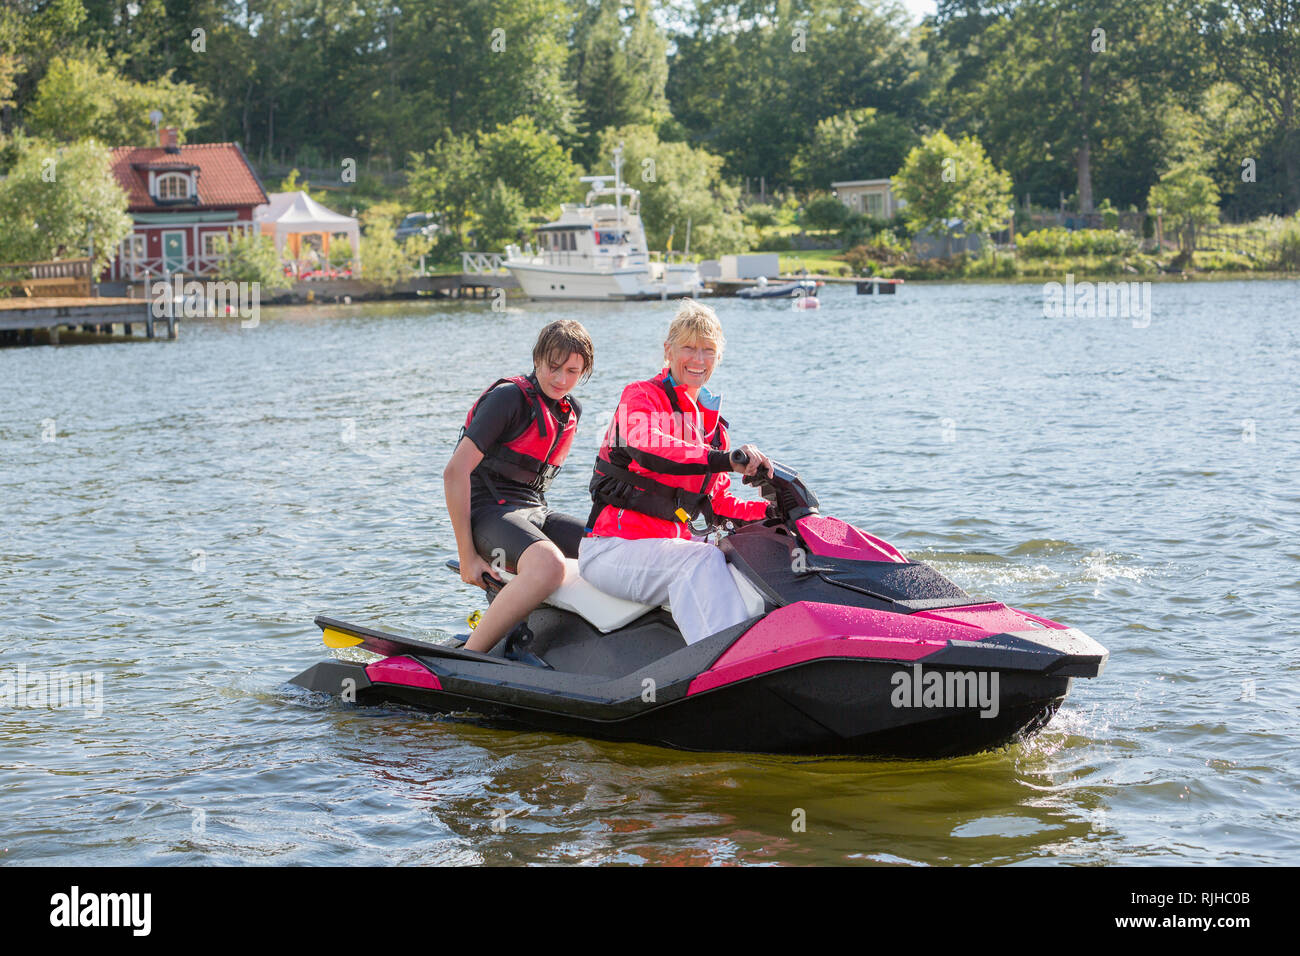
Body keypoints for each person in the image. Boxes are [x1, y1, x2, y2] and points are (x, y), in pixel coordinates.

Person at [578, 299, 772, 646]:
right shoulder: (640, 397)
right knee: (701, 559)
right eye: (689, 348)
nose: (699, 360)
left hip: (668, 545)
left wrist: (777, 514)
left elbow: (719, 505)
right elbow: (651, 448)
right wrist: (724, 459)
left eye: (708, 350)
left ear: (718, 357)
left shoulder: (714, 429)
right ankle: (728, 671)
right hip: (611, 549)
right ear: (668, 351)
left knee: (747, 558)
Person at [443, 320, 594, 653]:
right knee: (549, 565)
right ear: (537, 358)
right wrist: (467, 556)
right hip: (486, 514)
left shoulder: (571, 411)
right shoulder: (508, 399)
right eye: (553, 367)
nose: (561, 379)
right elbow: (455, 473)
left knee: (608, 546)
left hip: (533, 512)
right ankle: (472, 656)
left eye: (572, 371)